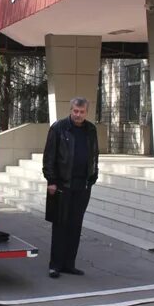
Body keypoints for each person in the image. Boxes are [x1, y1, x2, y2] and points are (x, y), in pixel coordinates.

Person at [42, 97, 99, 279]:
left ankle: (69, 264)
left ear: (86, 112)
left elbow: (94, 154)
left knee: (75, 226)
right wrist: (51, 180)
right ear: (71, 110)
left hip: (82, 185)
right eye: (75, 111)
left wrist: (93, 175)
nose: (78, 115)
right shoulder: (59, 128)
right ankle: (55, 265)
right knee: (60, 225)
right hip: (61, 185)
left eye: (82, 112)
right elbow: (49, 156)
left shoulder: (91, 129)